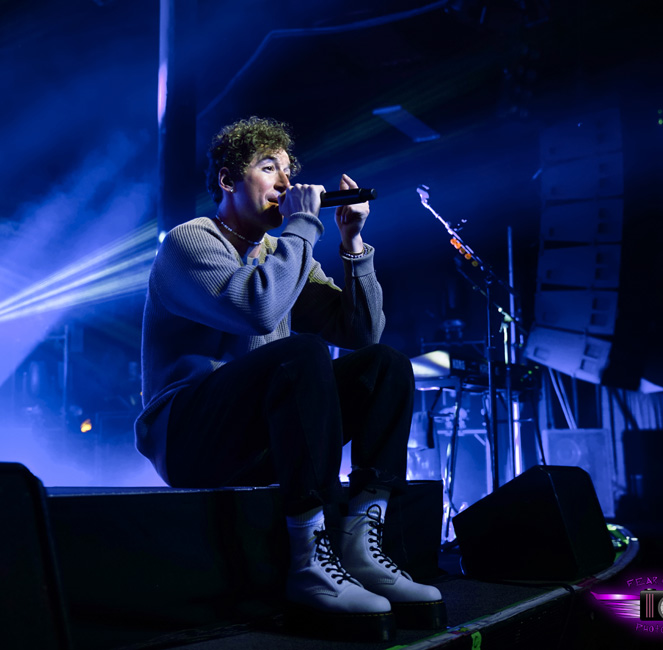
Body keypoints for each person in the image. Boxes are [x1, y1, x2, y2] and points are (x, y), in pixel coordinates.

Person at [135, 116, 444, 640]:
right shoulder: (191, 241)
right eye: (268, 167)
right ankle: (308, 562)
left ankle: (360, 543)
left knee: (385, 365)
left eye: (288, 170)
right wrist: (304, 228)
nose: (284, 182)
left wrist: (351, 244)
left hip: (260, 439)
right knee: (299, 353)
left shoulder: (283, 254)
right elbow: (257, 308)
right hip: (189, 436)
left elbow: (360, 332)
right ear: (230, 181)